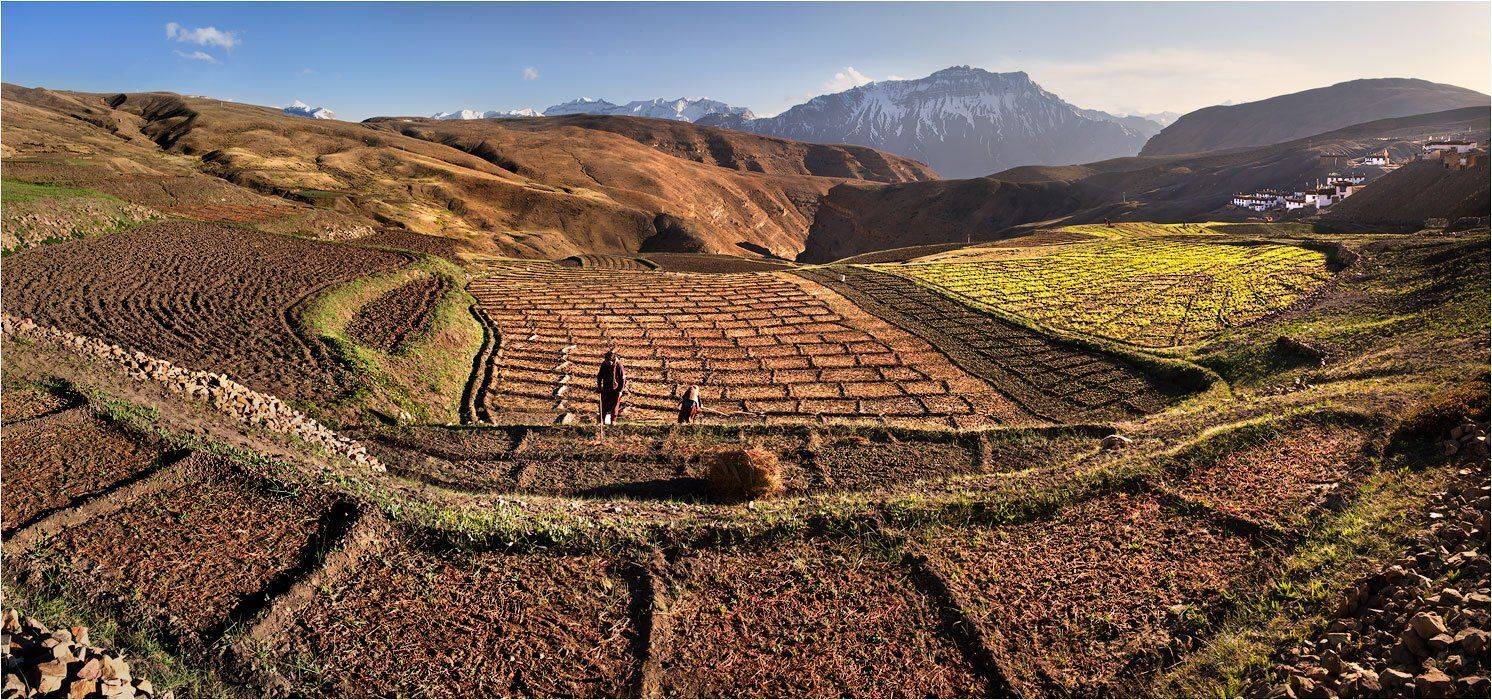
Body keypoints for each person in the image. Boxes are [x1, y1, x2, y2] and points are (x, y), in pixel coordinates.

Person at [597, 349, 626, 425]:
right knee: (603, 404)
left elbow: (623, 379)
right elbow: (599, 376)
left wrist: (620, 391)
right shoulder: (604, 364)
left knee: (615, 405)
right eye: (605, 361)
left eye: (608, 361)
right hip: (606, 387)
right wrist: (599, 387)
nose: (606, 362)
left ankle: (613, 420)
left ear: (612, 360)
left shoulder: (619, 365)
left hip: (616, 388)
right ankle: (601, 420)